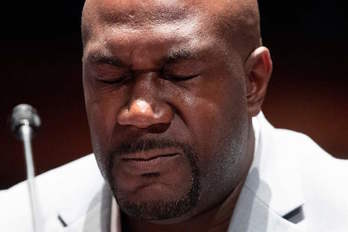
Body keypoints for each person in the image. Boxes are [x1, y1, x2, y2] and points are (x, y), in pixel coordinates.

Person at [1, 0, 348, 231]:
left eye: (178, 75)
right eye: (111, 77)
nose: (139, 111)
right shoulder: (17, 218)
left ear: (253, 82)